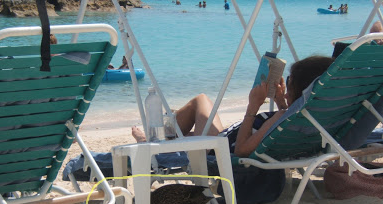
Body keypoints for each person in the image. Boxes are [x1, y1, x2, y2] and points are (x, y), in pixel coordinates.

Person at [132, 56, 335, 158]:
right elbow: (277, 126)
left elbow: (241, 150)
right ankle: (154, 139)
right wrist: (283, 102)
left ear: (299, 90)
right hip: (224, 137)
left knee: (200, 100)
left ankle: (151, 141)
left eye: (290, 82)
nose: (286, 85)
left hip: (218, 148)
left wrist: (253, 106)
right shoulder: (303, 117)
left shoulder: (281, 118)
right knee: (187, 134)